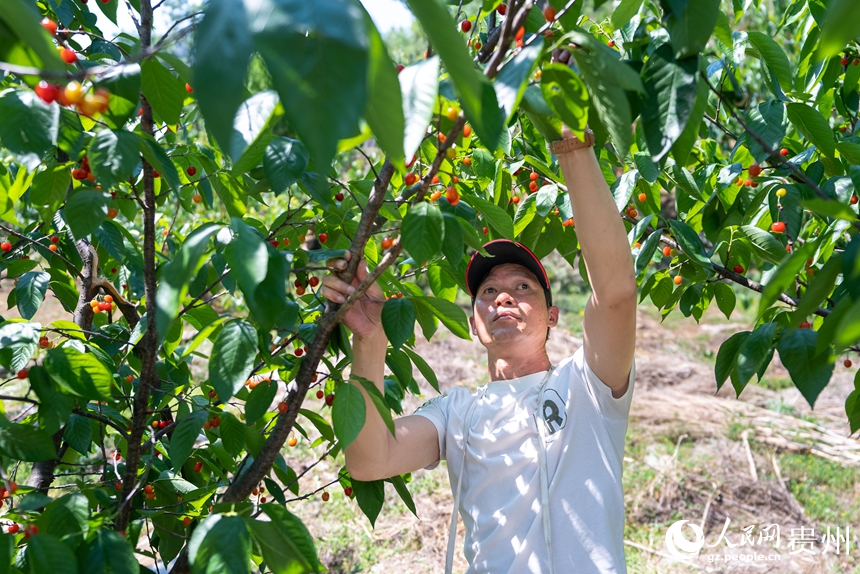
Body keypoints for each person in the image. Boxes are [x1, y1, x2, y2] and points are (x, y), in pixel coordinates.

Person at [321, 127, 637, 572]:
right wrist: (368, 340)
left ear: (552, 316)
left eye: (522, 287)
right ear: (474, 324)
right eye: (488, 291)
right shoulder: (457, 412)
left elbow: (617, 291)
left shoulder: (589, 385)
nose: (502, 298)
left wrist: (572, 146)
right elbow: (372, 459)